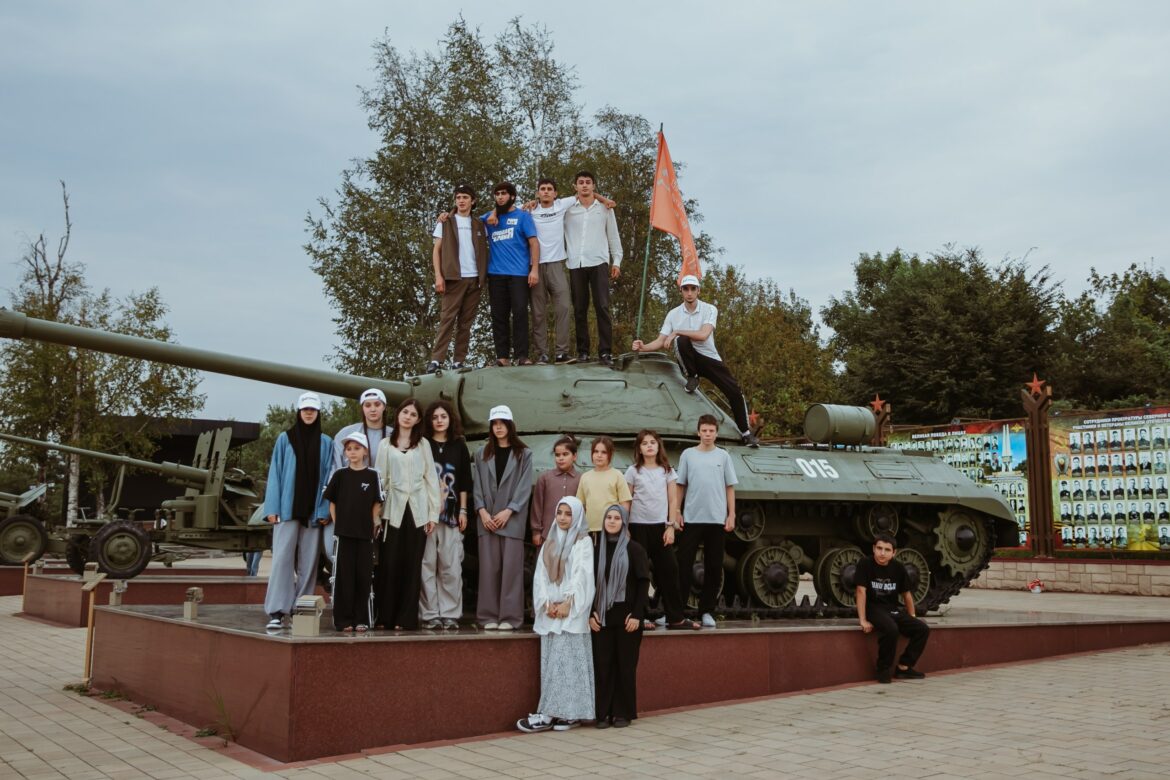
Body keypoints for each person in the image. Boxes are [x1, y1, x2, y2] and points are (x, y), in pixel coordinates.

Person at [631, 275, 759, 448]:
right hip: (689, 358)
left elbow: (703, 335)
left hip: (709, 358)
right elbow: (661, 341)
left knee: (735, 392)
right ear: (681, 291)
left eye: (693, 289)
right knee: (681, 341)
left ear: (698, 290)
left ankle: (746, 433)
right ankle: (692, 376)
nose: (689, 293)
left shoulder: (709, 309)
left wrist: (677, 331)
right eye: (686, 289)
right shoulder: (673, 314)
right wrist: (643, 347)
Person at [517, 497, 595, 733]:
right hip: (551, 613)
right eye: (559, 512)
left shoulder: (583, 542)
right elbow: (540, 575)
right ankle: (562, 714)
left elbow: (582, 575)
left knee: (568, 666)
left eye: (568, 514)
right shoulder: (550, 541)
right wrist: (547, 603)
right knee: (553, 665)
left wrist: (568, 603)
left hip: (571, 614)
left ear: (577, 516)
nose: (562, 518)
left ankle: (550, 715)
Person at [262, 392, 334, 631]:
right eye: (305, 409)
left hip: (313, 514)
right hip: (287, 510)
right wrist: (272, 507)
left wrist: (323, 509)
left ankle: (301, 608)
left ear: (318, 413)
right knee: (281, 560)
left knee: (309, 564)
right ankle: (277, 610)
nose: (309, 413)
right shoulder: (285, 439)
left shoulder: (326, 442)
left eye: (313, 410)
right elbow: (275, 473)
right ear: (299, 412)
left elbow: (329, 477)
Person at [524, 179, 617, 364]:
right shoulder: (529, 211)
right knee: (538, 312)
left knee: (565, 307)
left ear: (555, 193)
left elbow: (584, 194)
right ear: (537, 193)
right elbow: (509, 211)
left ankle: (562, 353)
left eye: (550, 189)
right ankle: (542, 353)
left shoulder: (562, 205)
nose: (546, 192)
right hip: (535, 265)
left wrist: (604, 199)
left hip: (557, 263)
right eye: (542, 189)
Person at [373, 399, 440, 630]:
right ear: (398, 414)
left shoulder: (423, 444)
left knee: (412, 564)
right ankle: (385, 616)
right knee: (389, 563)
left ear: (418, 419)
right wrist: (376, 515)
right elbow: (380, 480)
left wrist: (433, 514)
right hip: (392, 510)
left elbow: (431, 479)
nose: (408, 416)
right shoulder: (385, 444)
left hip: (418, 510)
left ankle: (406, 618)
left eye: (413, 414)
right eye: (405, 412)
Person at [624, 429, 696, 631]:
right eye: (644, 443)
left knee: (670, 570)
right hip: (637, 527)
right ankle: (639, 616)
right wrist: (625, 527)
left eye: (652, 442)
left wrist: (670, 526)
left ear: (658, 446)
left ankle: (675, 618)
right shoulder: (633, 471)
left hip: (660, 528)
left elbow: (673, 499)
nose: (649, 446)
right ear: (639, 448)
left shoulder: (667, 471)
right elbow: (627, 500)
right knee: (638, 573)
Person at [474, 405, 534, 630]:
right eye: (495, 424)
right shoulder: (481, 453)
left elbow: (524, 487)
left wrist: (509, 510)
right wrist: (482, 511)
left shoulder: (524, 454)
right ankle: (488, 616)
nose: (498, 427)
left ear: (510, 425)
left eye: (502, 423)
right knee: (488, 570)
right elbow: (477, 486)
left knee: (511, 570)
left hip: (512, 520)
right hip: (487, 520)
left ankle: (510, 617)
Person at [590, 505, 651, 728]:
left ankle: (622, 712)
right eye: (609, 517)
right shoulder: (596, 550)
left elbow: (643, 583)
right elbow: (588, 584)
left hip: (627, 618)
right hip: (602, 617)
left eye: (617, 518)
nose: (612, 521)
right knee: (603, 665)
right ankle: (603, 713)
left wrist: (637, 615)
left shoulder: (634, 549)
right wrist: (590, 614)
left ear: (624, 523)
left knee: (625, 665)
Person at [674, 414, 737, 628]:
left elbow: (729, 487)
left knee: (714, 566)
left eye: (711, 431)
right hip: (692, 518)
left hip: (716, 519)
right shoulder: (688, 455)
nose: (707, 434)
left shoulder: (723, 456)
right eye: (704, 430)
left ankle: (707, 611)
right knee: (683, 564)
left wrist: (731, 514)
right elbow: (680, 485)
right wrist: (677, 510)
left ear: (716, 433)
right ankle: (677, 611)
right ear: (698, 432)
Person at [326, 388, 390, 584]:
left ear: (384, 407)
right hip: (352, 507)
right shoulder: (346, 434)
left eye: (377, 404)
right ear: (362, 408)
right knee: (345, 558)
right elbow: (336, 470)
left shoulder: (393, 435)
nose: (373, 409)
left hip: (385, 503)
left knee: (385, 558)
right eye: (368, 405)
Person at [323, 432, 384, 632]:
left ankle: (362, 619)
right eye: (349, 449)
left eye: (357, 448)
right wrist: (339, 523)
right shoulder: (340, 475)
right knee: (344, 577)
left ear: (365, 451)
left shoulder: (373, 475)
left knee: (363, 577)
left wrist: (372, 522)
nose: (352, 452)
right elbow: (332, 503)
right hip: (344, 535)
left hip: (365, 535)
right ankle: (344, 620)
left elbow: (377, 502)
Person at [420, 400, 473, 630]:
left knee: (451, 565)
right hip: (427, 514)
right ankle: (430, 613)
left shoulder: (459, 445)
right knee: (427, 564)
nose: (439, 421)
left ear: (450, 419)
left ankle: (450, 613)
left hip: (452, 514)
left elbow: (464, 481)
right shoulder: (422, 444)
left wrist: (463, 510)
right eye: (435, 417)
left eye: (443, 416)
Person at [563, 171, 623, 365]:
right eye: (580, 182)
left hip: (598, 262)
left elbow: (613, 236)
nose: (584, 185)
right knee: (579, 308)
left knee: (602, 306)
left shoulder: (605, 208)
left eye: (588, 182)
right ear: (575, 186)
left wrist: (617, 261)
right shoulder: (567, 209)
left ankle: (605, 351)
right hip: (576, 263)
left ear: (594, 186)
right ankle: (583, 352)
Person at [427, 183, 489, 373]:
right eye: (458, 197)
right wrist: (438, 276)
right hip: (454, 278)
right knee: (447, 319)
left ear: (473, 201)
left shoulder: (479, 224)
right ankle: (436, 360)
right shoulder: (445, 222)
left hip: (475, 279)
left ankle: (458, 361)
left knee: (465, 323)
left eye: (465, 197)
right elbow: (436, 251)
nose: (461, 201)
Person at [855, 532, 931, 684]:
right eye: (879, 548)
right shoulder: (865, 564)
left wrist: (912, 616)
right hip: (873, 608)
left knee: (922, 629)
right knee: (891, 629)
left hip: (891, 608)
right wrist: (862, 620)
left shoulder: (898, 568)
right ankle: (883, 669)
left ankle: (904, 667)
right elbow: (860, 591)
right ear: (873, 548)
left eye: (887, 550)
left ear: (894, 552)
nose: (882, 553)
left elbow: (907, 594)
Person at [483, 182, 539, 366]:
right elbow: (466, 218)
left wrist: (534, 269)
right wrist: (446, 215)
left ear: (512, 196)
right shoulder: (489, 218)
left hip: (519, 274)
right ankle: (502, 357)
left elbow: (534, 243)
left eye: (504, 194)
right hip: (495, 274)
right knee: (499, 315)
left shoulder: (523, 216)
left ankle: (521, 356)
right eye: (497, 194)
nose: (500, 197)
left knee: (520, 313)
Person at [530, 435, 582, 547]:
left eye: (565, 454)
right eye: (557, 455)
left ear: (574, 456)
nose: (561, 458)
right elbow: (537, 506)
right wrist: (536, 531)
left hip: (572, 536)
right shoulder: (545, 478)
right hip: (547, 535)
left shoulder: (581, 479)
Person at [576, 436, 632, 535]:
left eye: (604, 452)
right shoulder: (585, 477)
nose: (599, 455)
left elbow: (625, 504)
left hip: (612, 529)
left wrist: (623, 526)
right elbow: (581, 505)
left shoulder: (617, 475)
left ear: (610, 454)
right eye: (596, 451)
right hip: (590, 530)